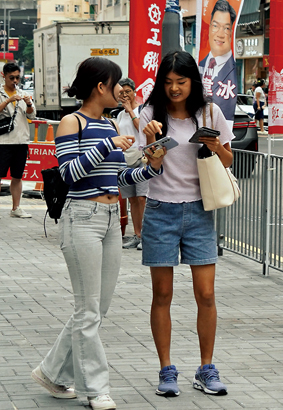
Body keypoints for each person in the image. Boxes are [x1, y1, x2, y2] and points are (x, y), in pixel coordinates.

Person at [31, 58, 164, 410]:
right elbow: (70, 174)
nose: (122, 90)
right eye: (117, 83)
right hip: (81, 218)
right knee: (88, 310)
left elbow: (120, 180)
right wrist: (108, 147)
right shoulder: (70, 123)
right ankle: (96, 389)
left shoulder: (108, 125)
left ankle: (52, 372)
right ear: (100, 87)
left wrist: (151, 166)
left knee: (96, 309)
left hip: (109, 219)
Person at [140, 50, 233, 398]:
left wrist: (212, 145)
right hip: (160, 210)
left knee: (206, 294)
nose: (174, 88)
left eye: (180, 82)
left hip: (199, 211)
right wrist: (152, 143)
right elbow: (150, 167)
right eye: (168, 83)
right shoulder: (150, 115)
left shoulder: (210, 112)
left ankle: (206, 368)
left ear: (193, 82)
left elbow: (227, 159)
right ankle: (166, 370)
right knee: (162, 294)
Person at [114, 78, 146, 250]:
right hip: (125, 160)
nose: (125, 95)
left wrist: (131, 111)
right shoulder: (120, 115)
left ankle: (146, 237)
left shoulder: (142, 109)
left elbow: (143, 129)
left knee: (142, 198)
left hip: (141, 158)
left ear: (134, 91)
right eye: (121, 92)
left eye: (128, 91)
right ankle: (137, 234)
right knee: (132, 199)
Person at [0, 62, 34, 218]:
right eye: (11, 78)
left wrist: (28, 105)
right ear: (3, 76)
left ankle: (16, 208)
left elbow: (31, 116)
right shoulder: (1, 93)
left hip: (21, 141)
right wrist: (8, 100)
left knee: (17, 176)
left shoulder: (22, 93)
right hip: (3, 142)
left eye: (17, 78)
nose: (14, 81)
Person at [198, 0, 238, 124]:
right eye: (215, 26)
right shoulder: (199, 65)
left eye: (226, 28)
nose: (220, 34)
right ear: (209, 29)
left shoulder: (232, 70)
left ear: (231, 33)